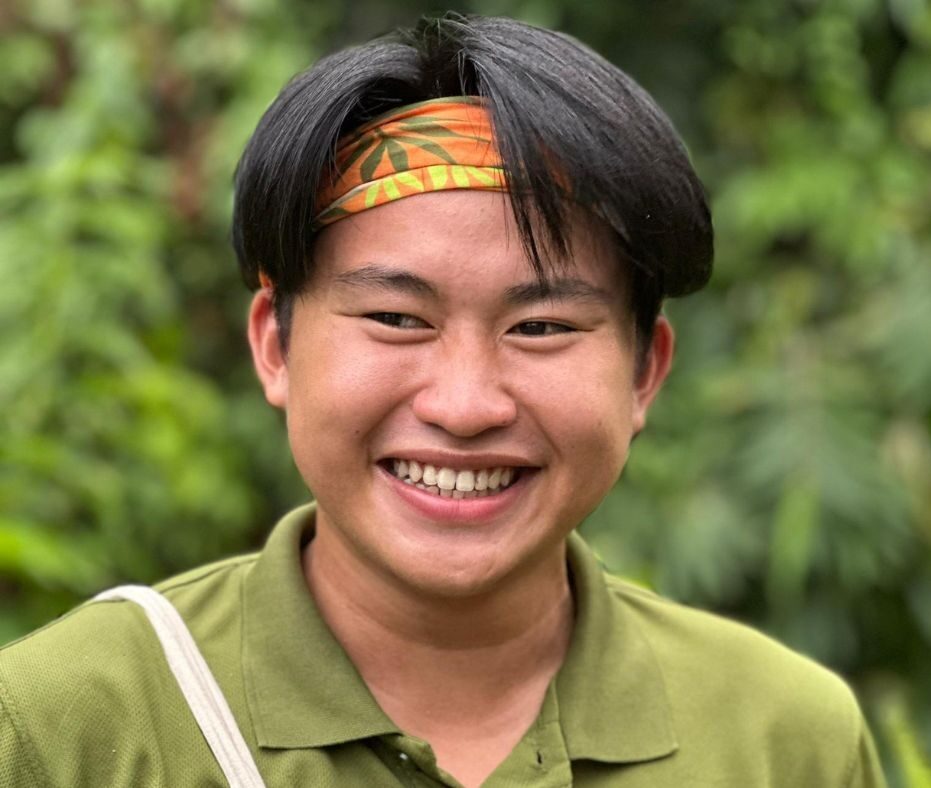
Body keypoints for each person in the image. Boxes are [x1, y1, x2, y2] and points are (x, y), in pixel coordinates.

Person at [0, 13, 886, 788]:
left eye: (541, 328)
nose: (465, 405)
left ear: (644, 373)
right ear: (275, 342)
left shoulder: (783, 738)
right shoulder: (66, 727)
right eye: (396, 317)